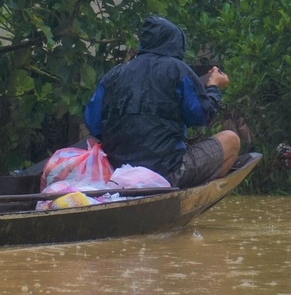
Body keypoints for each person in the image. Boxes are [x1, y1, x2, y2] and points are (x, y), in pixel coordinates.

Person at [84, 15, 240, 188]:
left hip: (117, 172)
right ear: (176, 44)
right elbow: (202, 116)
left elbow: (93, 124)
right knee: (231, 140)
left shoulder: (114, 74)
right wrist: (213, 86)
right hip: (167, 170)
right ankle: (187, 196)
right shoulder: (177, 69)